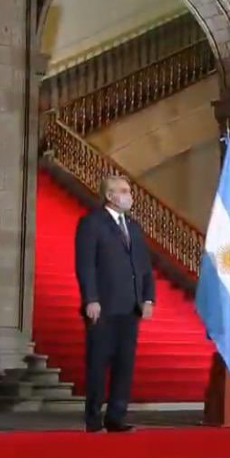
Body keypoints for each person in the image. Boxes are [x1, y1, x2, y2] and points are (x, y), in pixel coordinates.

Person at [74, 175, 155, 432]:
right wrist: (91, 299)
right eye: (123, 191)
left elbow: (144, 267)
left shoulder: (133, 227)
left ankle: (116, 415)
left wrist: (148, 298)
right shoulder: (91, 223)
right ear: (109, 195)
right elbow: (85, 265)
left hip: (130, 306)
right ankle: (94, 417)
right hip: (103, 306)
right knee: (98, 363)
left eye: (129, 191)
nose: (129, 195)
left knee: (124, 364)